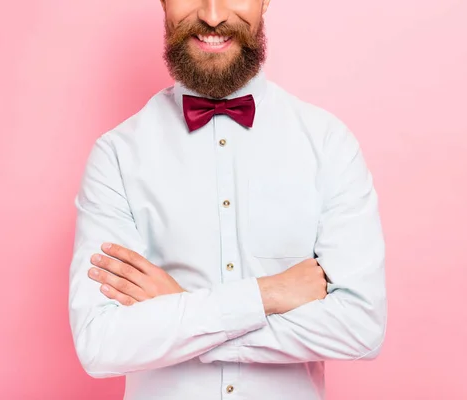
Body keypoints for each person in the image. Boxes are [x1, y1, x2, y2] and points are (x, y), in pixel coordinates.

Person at [68, 1, 388, 399]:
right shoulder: (116, 155)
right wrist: (268, 294)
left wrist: (180, 311)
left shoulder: (328, 144)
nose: (213, 15)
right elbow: (101, 344)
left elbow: (360, 328)